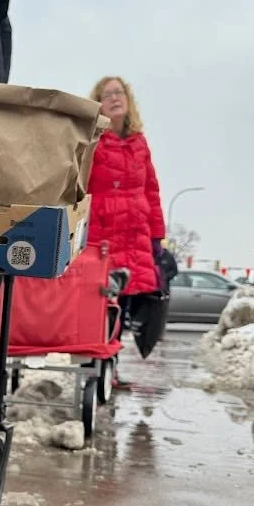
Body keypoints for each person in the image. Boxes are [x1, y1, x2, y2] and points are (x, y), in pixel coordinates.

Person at [87, 77, 167, 380]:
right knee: (104, 303)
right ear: (99, 104)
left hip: (135, 234)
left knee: (126, 303)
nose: (114, 98)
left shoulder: (139, 142)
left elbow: (152, 191)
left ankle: (112, 366)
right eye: (106, 95)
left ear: (128, 99)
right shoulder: (93, 139)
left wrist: (157, 237)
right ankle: (98, 366)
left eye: (118, 92)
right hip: (103, 235)